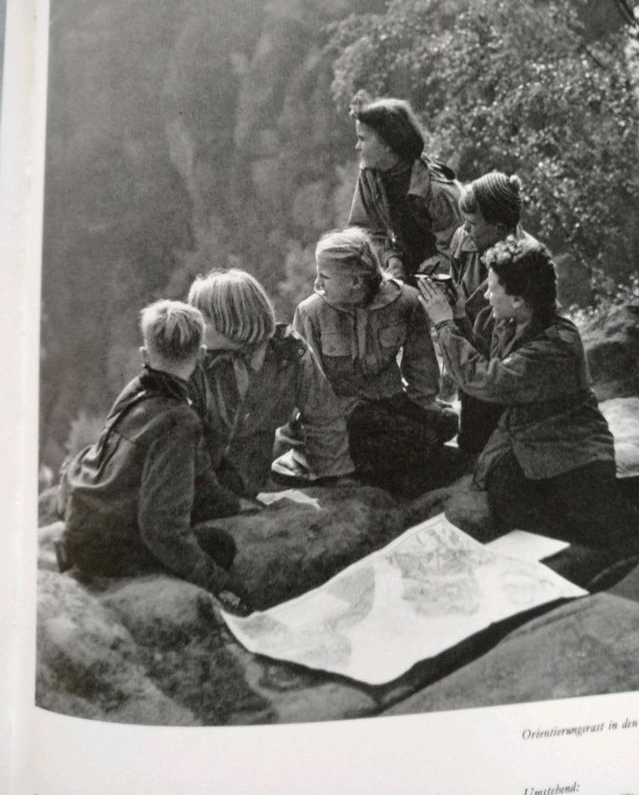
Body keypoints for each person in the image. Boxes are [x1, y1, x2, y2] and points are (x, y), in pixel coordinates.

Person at [418, 238, 639, 548]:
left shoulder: (557, 344)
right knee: (507, 496)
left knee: (597, 532)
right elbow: (488, 359)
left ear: (517, 299)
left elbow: (489, 380)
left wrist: (444, 323)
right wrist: (459, 314)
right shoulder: (514, 321)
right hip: (529, 439)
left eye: (491, 289)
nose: (486, 296)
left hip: (572, 446)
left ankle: (637, 505)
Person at [58, 300, 249, 607]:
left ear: (145, 355)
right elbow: (160, 528)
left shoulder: (136, 389)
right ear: (200, 356)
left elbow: (197, 473)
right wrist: (219, 582)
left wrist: (228, 503)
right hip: (103, 553)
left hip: (80, 525)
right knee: (219, 546)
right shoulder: (179, 420)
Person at [293, 228, 458, 495]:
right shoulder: (310, 313)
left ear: (355, 282)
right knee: (412, 439)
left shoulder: (406, 301)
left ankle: (391, 464)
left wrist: (426, 411)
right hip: (344, 415)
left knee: (446, 423)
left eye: (324, 277)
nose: (318, 285)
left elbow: (422, 373)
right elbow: (311, 395)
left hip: (390, 402)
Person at [188, 269, 354, 498]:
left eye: (203, 320)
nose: (194, 327)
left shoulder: (290, 353)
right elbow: (184, 440)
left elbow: (323, 417)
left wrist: (333, 479)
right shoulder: (196, 362)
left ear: (234, 320)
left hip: (252, 469)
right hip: (199, 475)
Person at [449, 171, 538, 455]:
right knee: (470, 445)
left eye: (473, 223)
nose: (465, 229)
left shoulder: (527, 264)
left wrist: (457, 316)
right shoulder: (463, 241)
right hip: (472, 361)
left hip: (505, 375)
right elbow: (456, 279)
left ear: (499, 228)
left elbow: (506, 356)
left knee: (492, 451)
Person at [347, 91, 461, 281]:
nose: (357, 147)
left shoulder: (437, 190)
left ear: (388, 144)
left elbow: (459, 249)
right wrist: (390, 258)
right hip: (404, 269)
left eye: (363, 139)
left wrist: (426, 273)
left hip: (443, 278)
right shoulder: (370, 176)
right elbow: (363, 230)